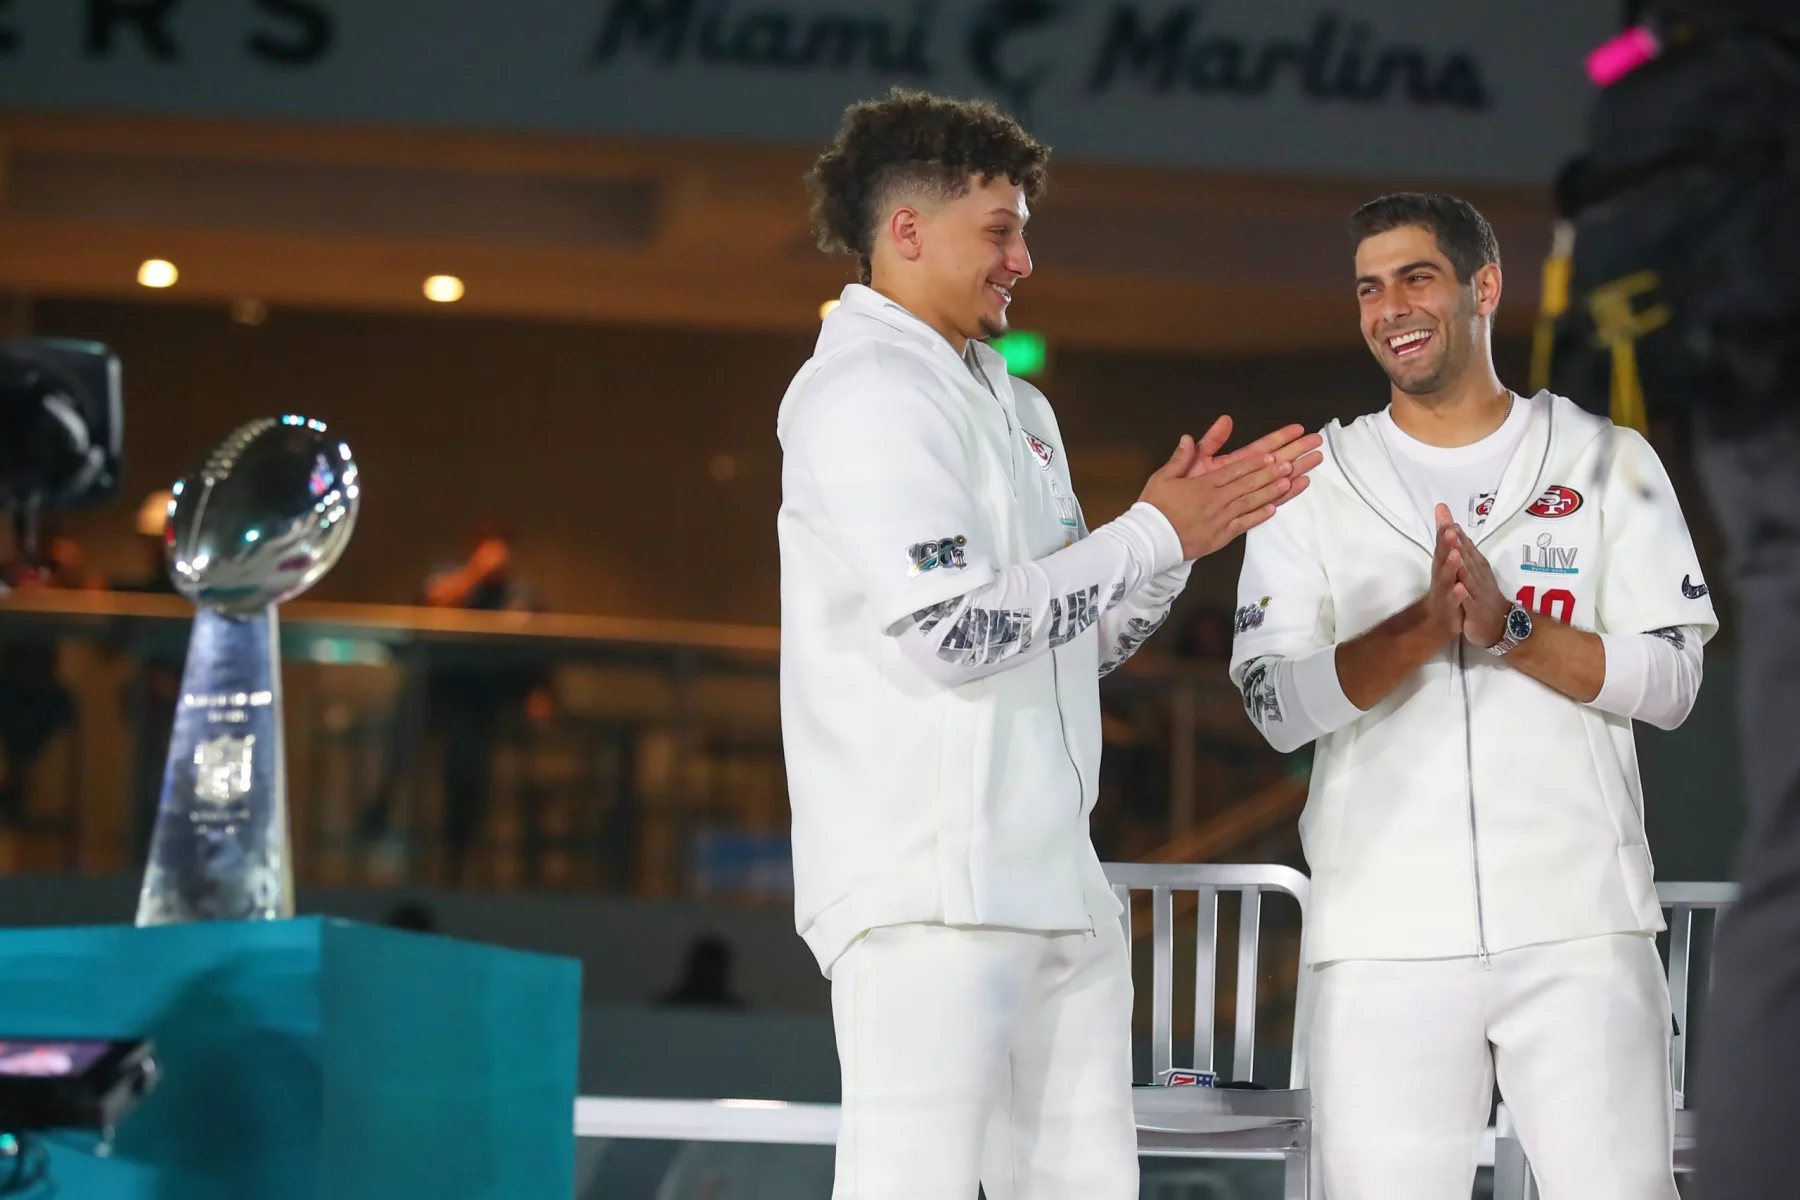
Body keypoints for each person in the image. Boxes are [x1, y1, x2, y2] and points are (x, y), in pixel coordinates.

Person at [778, 87, 1321, 1200]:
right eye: (1001, 229)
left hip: (1057, 887)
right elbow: (952, 629)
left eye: (1025, 229)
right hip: (929, 891)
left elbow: (1080, 635)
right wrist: (1146, 533)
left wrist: (1173, 544)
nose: (1024, 258)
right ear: (908, 231)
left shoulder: (1020, 408)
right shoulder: (863, 392)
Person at [1229, 194, 1718, 1198]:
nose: (1389, 309)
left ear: (1483, 287)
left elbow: (1672, 682)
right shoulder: (1316, 480)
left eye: (1416, 278)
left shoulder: (1604, 458)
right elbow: (1275, 704)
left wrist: (1515, 633)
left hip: (1581, 924)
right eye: (1369, 287)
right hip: (1382, 937)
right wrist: (1413, 635)